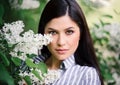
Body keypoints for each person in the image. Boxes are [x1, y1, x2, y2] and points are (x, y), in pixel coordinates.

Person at [36, 0, 104, 85]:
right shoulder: (28, 64)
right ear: (43, 33)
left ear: (81, 33)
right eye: (53, 32)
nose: (61, 42)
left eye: (69, 32)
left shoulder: (86, 76)